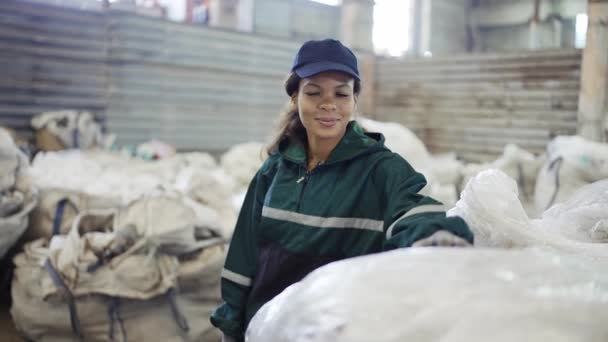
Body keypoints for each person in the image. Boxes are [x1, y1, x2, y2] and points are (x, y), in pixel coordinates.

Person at [210, 39, 474, 342]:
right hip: (268, 330)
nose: (328, 103)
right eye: (313, 92)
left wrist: (434, 237)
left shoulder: (381, 170)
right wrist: (231, 327)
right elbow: (243, 257)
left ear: (354, 101)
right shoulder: (274, 170)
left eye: (341, 93)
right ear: (295, 96)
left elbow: (413, 210)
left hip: (337, 332)